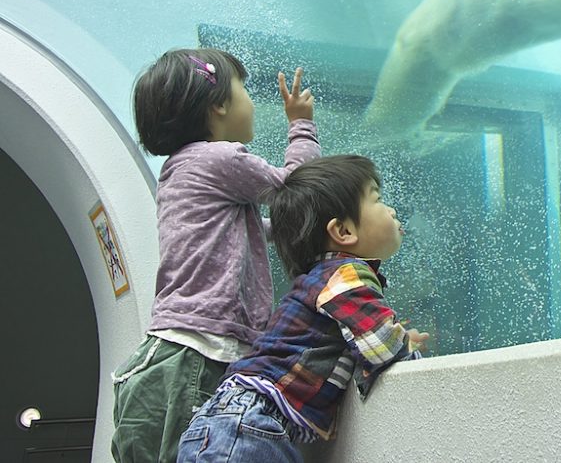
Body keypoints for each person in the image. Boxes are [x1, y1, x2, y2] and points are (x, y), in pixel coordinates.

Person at [111, 48, 321, 463]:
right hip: (197, 352)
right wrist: (301, 126)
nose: (250, 100)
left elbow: (246, 234)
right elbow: (297, 194)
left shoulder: (182, 167)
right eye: (242, 88)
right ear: (219, 104)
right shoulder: (218, 157)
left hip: (180, 351)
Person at [177, 155, 429, 462]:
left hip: (227, 420)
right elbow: (382, 348)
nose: (390, 209)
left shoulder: (318, 281)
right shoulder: (346, 273)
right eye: (378, 199)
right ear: (344, 232)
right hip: (248, 426)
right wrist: (406, 347)